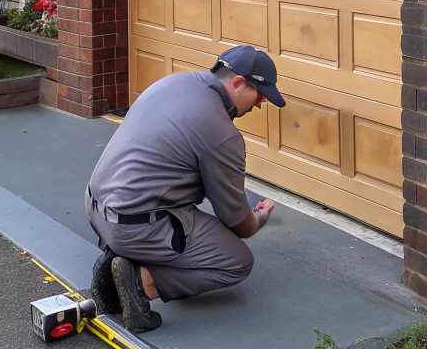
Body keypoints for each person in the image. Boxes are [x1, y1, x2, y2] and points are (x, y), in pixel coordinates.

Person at [84, 44, 285, 332]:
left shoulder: (173, 82)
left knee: (179, 210)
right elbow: (238, 222)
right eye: (260, 95)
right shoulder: (221, 132)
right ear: (239, 83)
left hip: (95, 206)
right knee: (237, 261)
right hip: (133, 225)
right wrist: (260, 217)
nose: (260, 104)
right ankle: (140, 282)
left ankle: (119, 256)